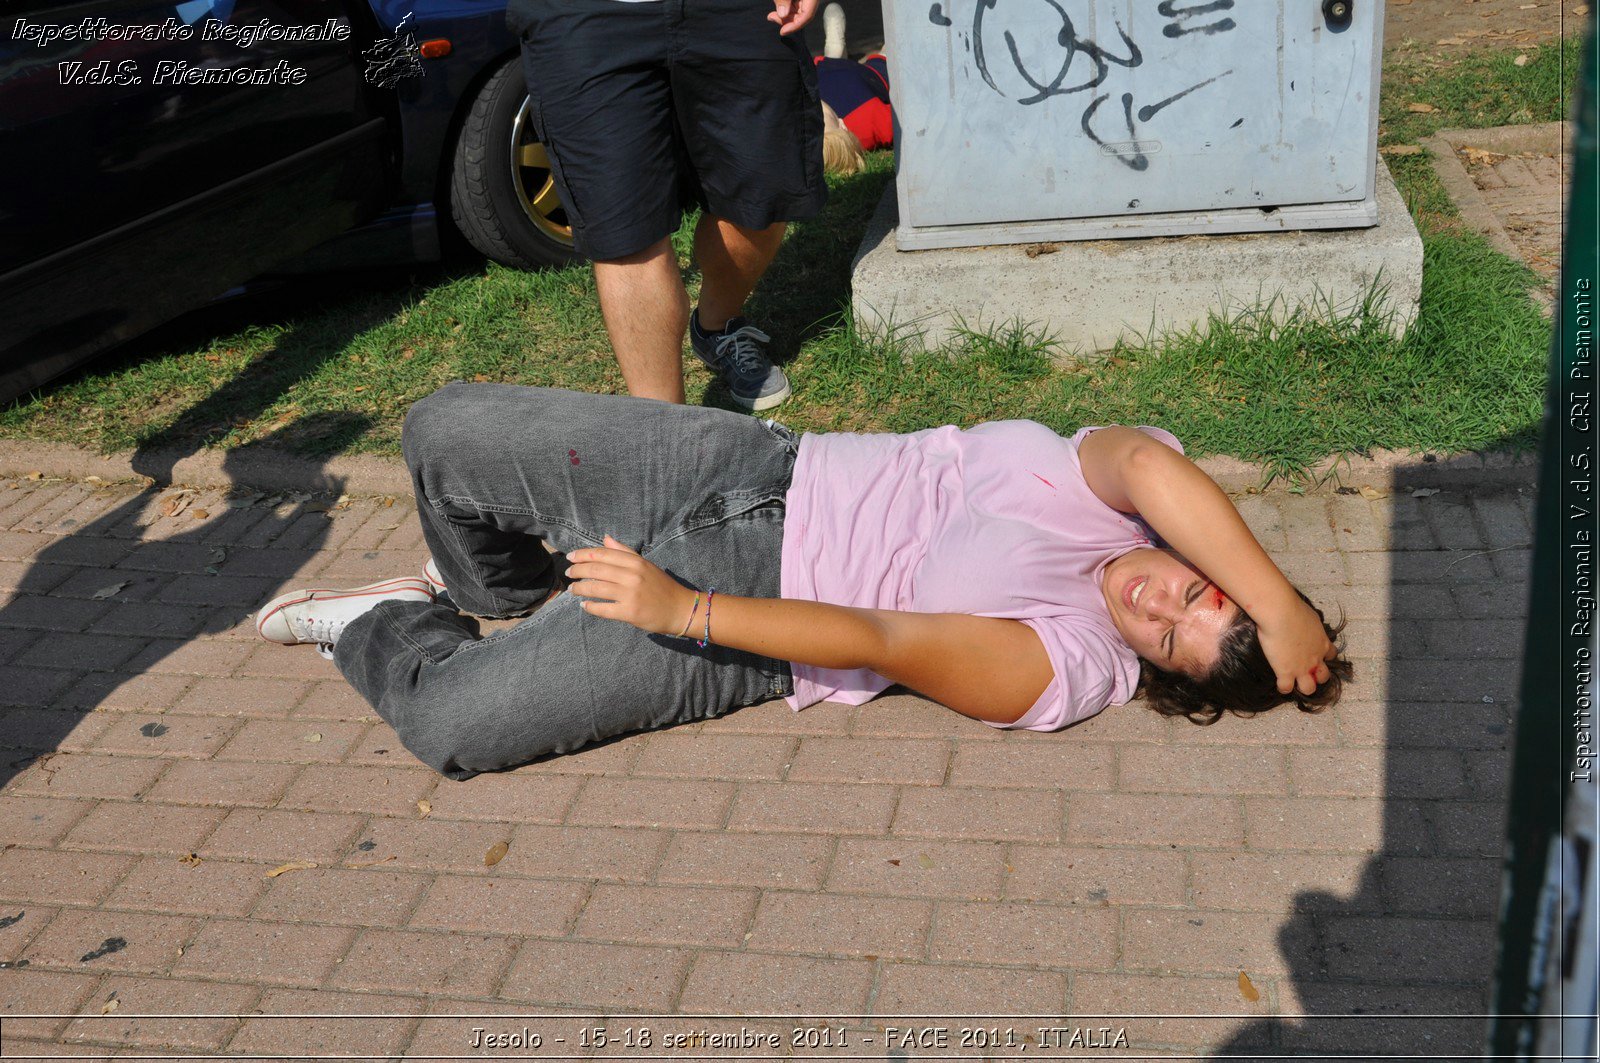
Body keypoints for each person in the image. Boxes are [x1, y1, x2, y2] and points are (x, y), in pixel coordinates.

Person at [255, 383, 1351, 780]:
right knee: (441, 429)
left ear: (1151, 673)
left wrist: (683, 610)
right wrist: (1282, 609)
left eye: (1168, 640)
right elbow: (1156, 463)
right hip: (753, 466)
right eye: (1199, 596)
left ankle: (387, 618)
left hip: (743, 616)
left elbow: (880, 636)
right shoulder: (1127, 486)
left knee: (453, 720)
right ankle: (497, 595)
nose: (1153, 605)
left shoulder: (1072, 666)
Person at [505, 0, 827, 411]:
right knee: (624, 234)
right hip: (582, 16)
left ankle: (717, 325)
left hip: (738, 10)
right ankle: (664, 435)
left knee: (762, 194)